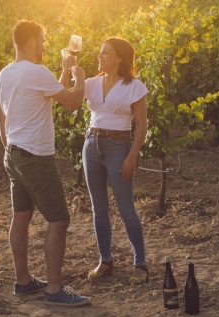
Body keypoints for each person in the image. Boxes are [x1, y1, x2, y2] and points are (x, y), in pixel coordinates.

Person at [0, 19, 91, 307]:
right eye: (43, 39)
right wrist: (80, 78)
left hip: (13, 153)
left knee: (21, 216)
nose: (46, 45)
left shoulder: (3, 75)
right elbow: (72, 101)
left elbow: (4, 117)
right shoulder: (35, 72)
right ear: (32, 40)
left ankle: (23, 282)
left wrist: (62, 72)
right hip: (36, 156)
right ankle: (55, 290)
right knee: (59, 219)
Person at [61, 37, 149, 284]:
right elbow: (68, 99)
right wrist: (67, 71)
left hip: (119, 147)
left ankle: (140, 262)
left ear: (119, 58)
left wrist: (132, 155)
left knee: (126, 209)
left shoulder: (134, 86)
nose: (100, 56)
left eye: (106, 53)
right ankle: (105, 260)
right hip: (91, 145)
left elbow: (142, 124)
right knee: (98, 208)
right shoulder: (91, 82)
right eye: (100, 52)